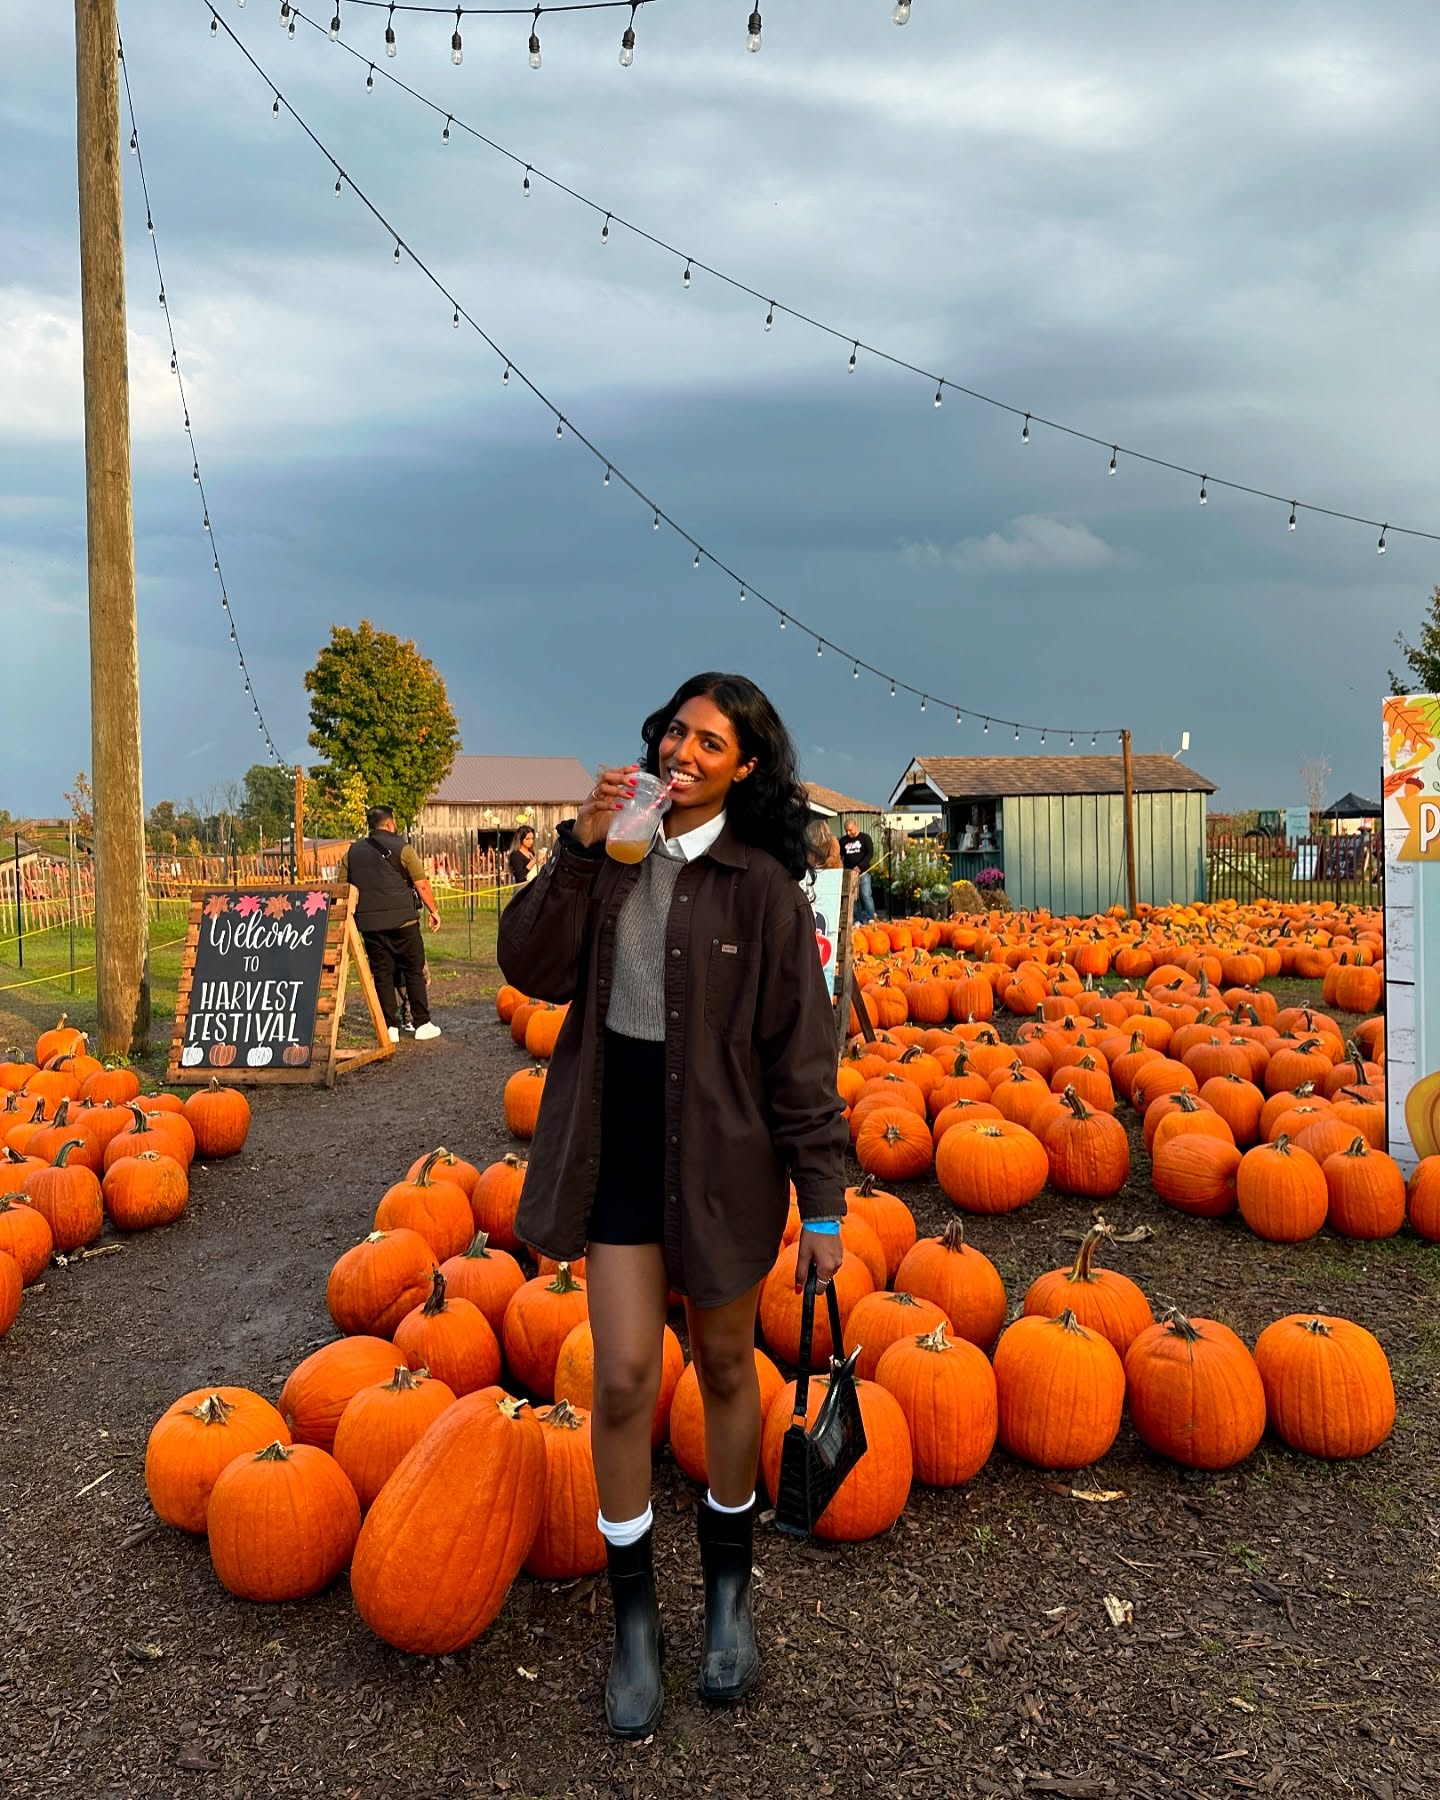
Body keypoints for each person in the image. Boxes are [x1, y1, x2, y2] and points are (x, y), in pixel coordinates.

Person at [497, 672, 846, 1738]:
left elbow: (802, 1054)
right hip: (620, 1150)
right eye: (673, 733)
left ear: (745, 766)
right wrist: (580, 845)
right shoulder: (607, 859)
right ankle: (636, 1618)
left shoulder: (763, 890)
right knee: (623, 1381)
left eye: (709, 741)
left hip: (728, 1162)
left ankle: (730, 1602)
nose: (683, 752)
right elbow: (528, 965)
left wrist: (823, 1205)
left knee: (731, 1366)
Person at [336, 806, 442, 1043]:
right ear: (391, 823)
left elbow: (343, 888)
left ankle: (389, 1027)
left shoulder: (351, 853)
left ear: (370, 825)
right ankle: (422, 1023)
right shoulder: (403, 849)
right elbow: (421, 884)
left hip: (370, 925)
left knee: (382, 973)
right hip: (403, 921)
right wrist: (434, 911)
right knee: (413, 971)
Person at [839, 816, 876, 923]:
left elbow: (870, 854)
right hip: (850, 874)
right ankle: (858, 919)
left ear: (855, 826)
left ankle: (871, 918)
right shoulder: (843, 841)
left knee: (865, 895)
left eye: (850, 830)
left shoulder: (865, 838)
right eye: (846, 830)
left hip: (863, 873)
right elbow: (840, 856)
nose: (848, 833)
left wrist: (860, 866)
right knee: (854, 898)